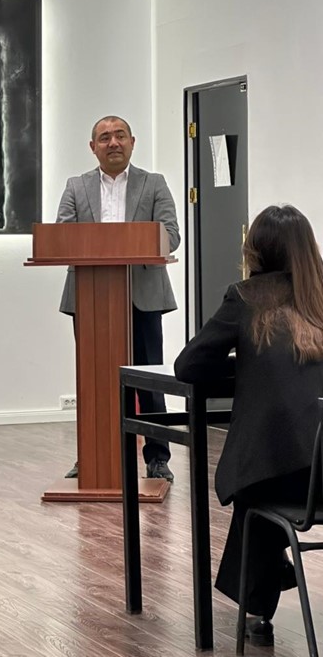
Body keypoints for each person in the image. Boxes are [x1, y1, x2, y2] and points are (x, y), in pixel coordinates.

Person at [174, 204, 323, 647]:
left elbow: (188, 366)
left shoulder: (246, 297)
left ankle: (260, 601)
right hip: (320, 473)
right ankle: (263, 596)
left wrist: (247, 362)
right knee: (266, 480)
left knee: (258, 482)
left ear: (255, 249)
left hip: (287, 477)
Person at [57, 115, 180, 482]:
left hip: (142, 296)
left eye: (120, 136)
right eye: (105, 137)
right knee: (94, 380)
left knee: (149, 380)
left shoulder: (153, 183)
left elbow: (171, 234)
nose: (113, 142)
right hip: (91, 298)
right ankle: (93, 457)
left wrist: (129, 242)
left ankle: (157, 457)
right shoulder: (76, 186)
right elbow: (62, 235)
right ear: (92, 147)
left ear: (132, 142)